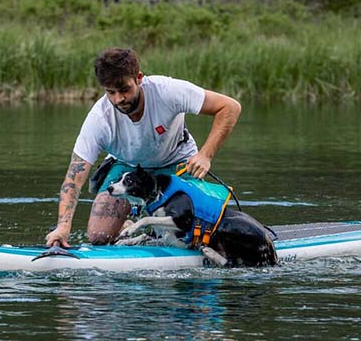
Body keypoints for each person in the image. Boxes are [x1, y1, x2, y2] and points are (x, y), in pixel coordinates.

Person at [45, 47, 241, 247]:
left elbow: (230, 107)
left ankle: (155, 229)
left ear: (139, 78)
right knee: (99, 237)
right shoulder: (99, 119)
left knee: (192, 230)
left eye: (124, 89)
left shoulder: (168, 91)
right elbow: (73, 178)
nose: (118, 99)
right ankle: (127, 225)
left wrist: (205, 155)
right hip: (127, 166)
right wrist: (62, 227)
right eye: (110, 92)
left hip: (177, 162)